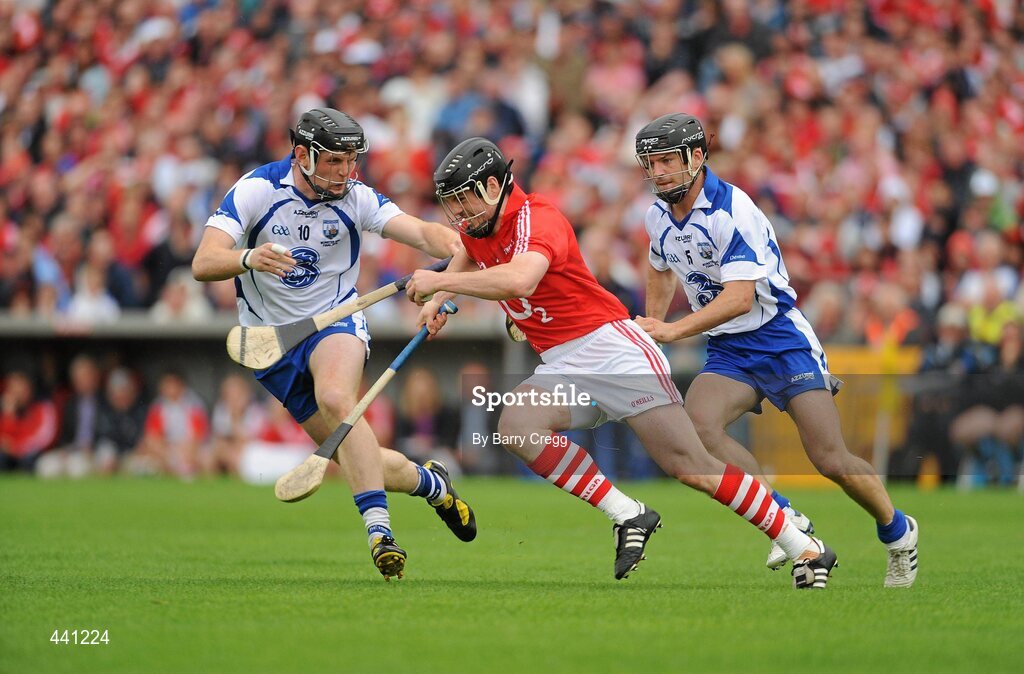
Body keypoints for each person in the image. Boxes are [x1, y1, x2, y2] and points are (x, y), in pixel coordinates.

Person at [407, 136, 836, 587]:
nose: (458, 215)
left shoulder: (540, 218)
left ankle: (801, 543)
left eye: (463, 201)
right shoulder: (482, 229)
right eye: (451, 205)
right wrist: (441, 296)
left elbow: (521, 279)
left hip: (612, 350)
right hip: (562, 362)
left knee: (690, 465)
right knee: (516, 424)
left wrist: (443, 282)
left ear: (493, 186)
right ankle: (628, 513)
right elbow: (467, 253)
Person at [631, 113, 919, 588]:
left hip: (780, 338)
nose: (658, 172)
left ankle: (897, 529)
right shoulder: (657, 215)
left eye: (667, 161)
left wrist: (675, 331)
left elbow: (739, 297)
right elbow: (661, 268)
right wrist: (652, 322)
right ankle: (788, 520)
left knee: (829, 458)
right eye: (651, 163)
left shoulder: (733, 210)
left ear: (697, 157)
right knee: (700, 430)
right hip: (729, 347)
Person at [191, 107, 476, 580]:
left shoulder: (357, 199)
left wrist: (460, 249)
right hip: (273, 345)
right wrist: (247, 257)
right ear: (302, 155)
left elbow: (422, 232)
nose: (346, 172)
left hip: (335, 325)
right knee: (352, 452)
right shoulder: (257, 190)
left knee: (337, 399)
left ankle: (379, 532)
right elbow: (204, 262)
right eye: (334, 162)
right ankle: (431, 484)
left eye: (351, 161)